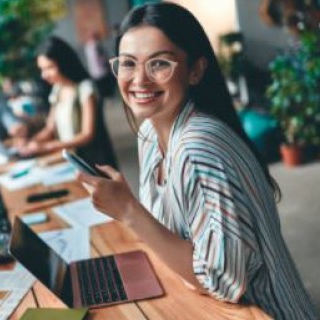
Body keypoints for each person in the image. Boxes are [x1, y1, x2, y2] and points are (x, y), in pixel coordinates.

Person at [78, 3, 318, 319]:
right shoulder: (150, 133)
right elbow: (171, 238)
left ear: (196, 70)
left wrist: (127, 210)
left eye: (159, 63)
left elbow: (221, 281)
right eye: (128, 63)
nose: (139, 80)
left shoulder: (200, 144)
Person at [20, 36, 117, 168]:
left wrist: (47, 146)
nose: (44, 75)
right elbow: (50, 128)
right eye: (42, 69)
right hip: (73, 160)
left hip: (94, 162)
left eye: (49, 68)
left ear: (63, 63)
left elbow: (87, 134)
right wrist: (31, 143)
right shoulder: (57, 89)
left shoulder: (85, 88)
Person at [84, 32, 115, 98]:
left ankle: (106, 97)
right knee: (106, 86)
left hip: (95, 72)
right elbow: (102, 57)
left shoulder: (88, 46)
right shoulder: (96, 45)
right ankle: (109, 97)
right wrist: (107, 65)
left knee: (101, 88)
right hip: (102, 70)